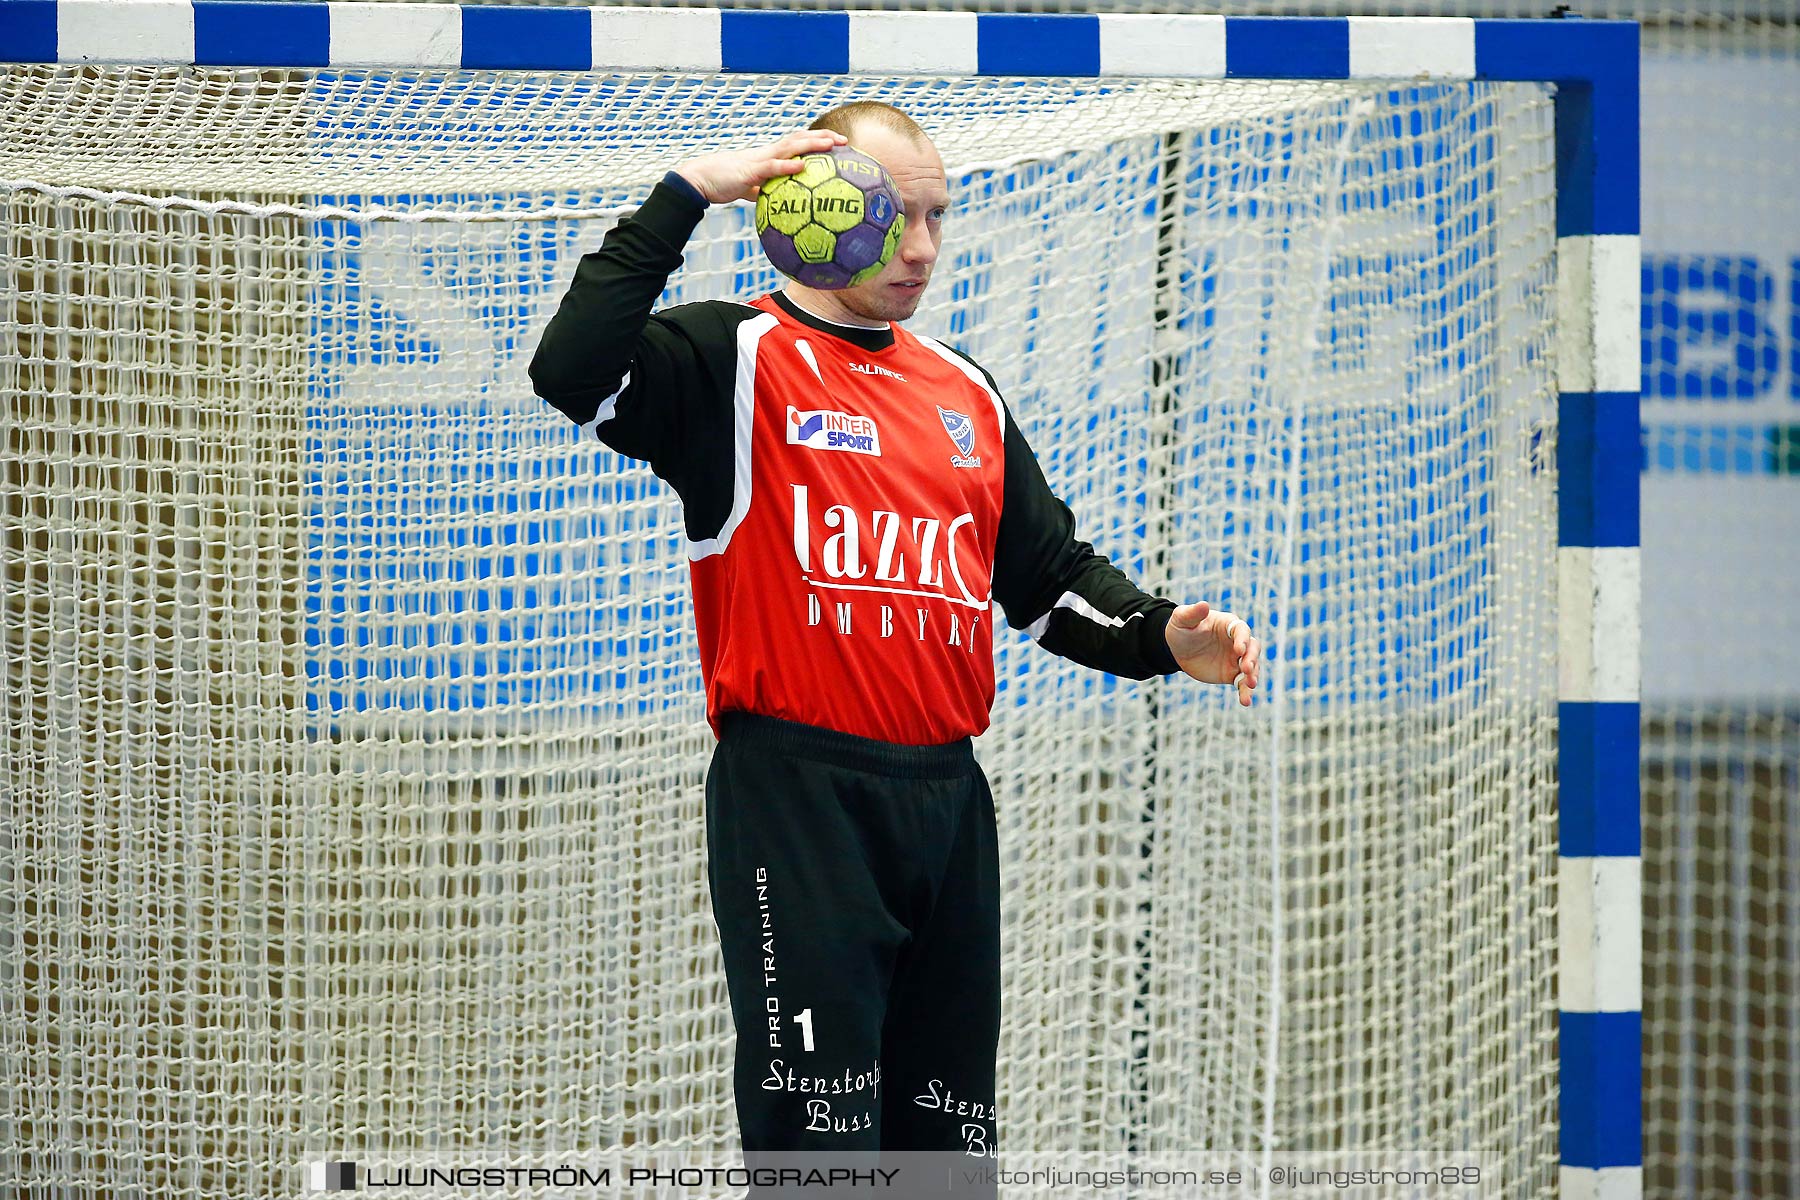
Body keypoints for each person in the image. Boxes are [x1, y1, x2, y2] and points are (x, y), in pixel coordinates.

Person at [529, 101, 1261, 1172]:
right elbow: (571, 371)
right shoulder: (731, 360)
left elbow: (1048, 582)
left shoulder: (962, 387)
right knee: (819, 1153)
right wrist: (691, 193)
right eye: (890, 215)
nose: (919, 248)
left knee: (947, 1160)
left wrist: (1161, 637)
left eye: (935, 217)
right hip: (798, 801)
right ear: (809, 208)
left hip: (948, 806)